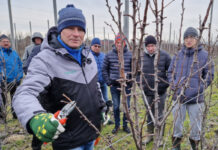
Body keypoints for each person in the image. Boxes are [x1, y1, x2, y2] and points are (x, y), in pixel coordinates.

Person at [13, 4, 105, 150]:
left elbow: (95, 86)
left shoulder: (88, 56)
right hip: (69, 141)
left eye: (81, 29)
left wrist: (102, 106)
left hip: (91, 133)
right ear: (60, 30)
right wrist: (35, 117)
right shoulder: (45, 60)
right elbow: (24, 93)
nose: (76, 34)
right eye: (70, 28)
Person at [168, 27, 214, 150]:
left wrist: (199, 89)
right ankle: (176, 146)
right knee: (177, 124)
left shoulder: (205, 56)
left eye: (191, 37)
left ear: (196, 39)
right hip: (178, 97)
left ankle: (195, 146)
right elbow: (170, 72)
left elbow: (209, 75)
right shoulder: (177, 55)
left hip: (196, 99)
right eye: (186, 38)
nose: (188, 40)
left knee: (196, 126)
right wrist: (174, 86)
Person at [141, 35, 171, 144]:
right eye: (148, 46)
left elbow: (171, 72)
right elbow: (136, 73)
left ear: (156, 45)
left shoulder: (165, 56)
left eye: (152, 45)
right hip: (147, 92)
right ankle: (150, 135)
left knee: (160, 115)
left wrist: (164, 85)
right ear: (145, 46)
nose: (150, 48)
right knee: (149, 114)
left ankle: (159, 137)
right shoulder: (142, 57)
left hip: (160, 92)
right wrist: (142, 85)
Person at [102, 33, 132, 134]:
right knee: (116, 106)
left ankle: (125, 125)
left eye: (122, 42)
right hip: (114, 85)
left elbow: (134, 69)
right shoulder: (109, 55)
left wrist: (131, 82)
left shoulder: (130, 54)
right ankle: (117, 125)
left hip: (126, 85)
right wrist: (108, 82)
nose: (120, 45)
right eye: (118, 42)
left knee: (126, 106)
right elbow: (104, 69)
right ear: (115, 43)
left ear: (125, 43)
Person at [0, 34, 23, 119]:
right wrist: (2, 78)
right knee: (3, 100)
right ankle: (3, 118)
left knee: (15, 99)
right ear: (0, 43)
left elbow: (20, 64)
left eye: (7, 41)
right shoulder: (0, 53)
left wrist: (20, 76)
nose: (6, 43)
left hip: (15, 80)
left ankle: (15, 116)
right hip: (3, 81)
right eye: (4, 41)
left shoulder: (14, 52)